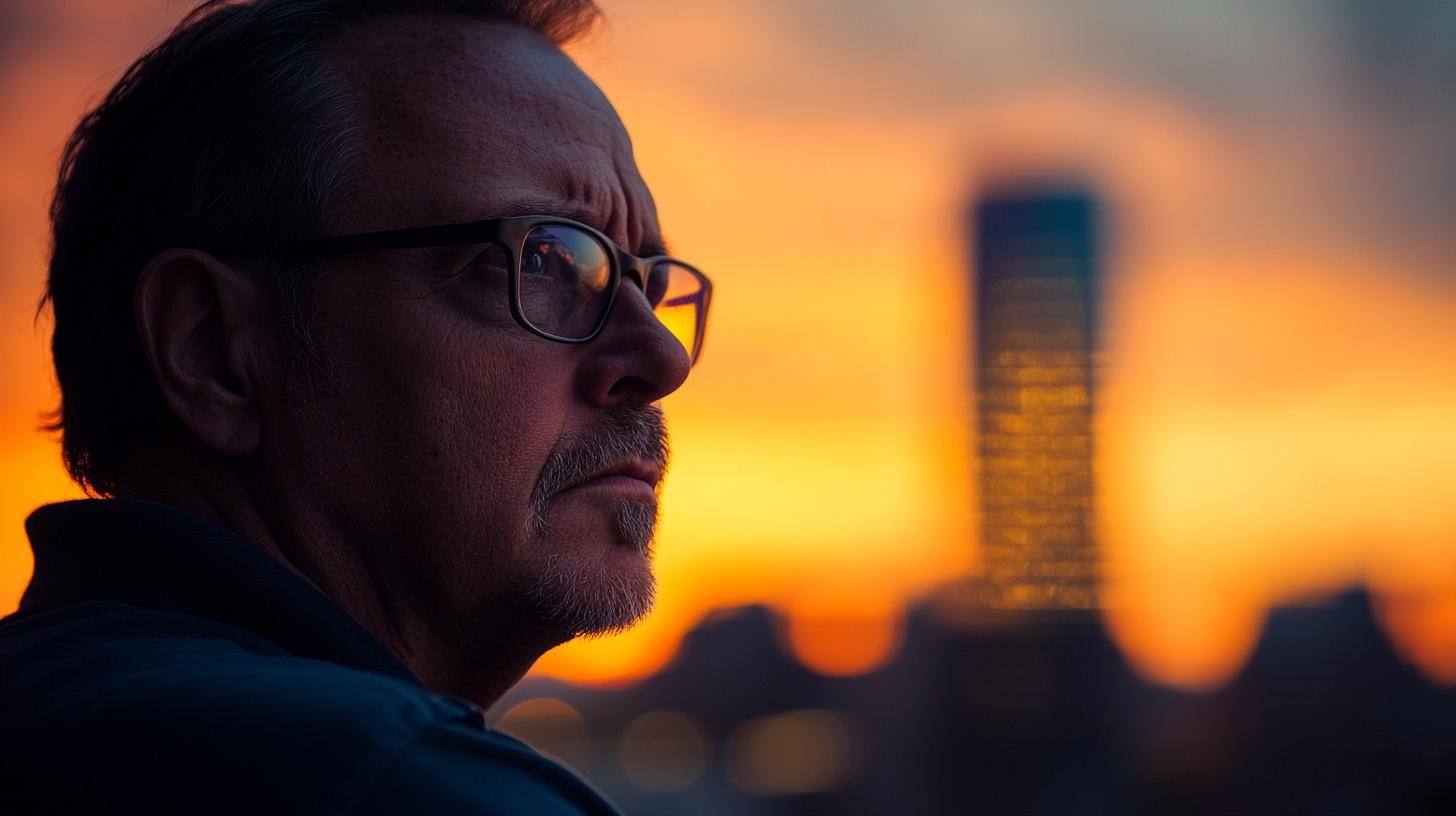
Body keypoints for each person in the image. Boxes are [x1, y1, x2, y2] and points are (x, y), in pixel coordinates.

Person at [0, 1, 711, 813]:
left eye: (649, 282)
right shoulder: (392, 784)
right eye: (546, 258)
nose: (662, 358)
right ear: (213, 349)